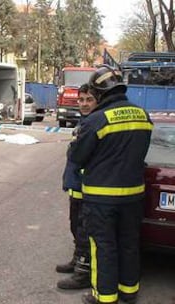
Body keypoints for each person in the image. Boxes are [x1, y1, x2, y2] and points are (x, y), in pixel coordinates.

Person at [69, 65, 153, 304]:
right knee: (129, 243)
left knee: (103, 246)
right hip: (134, 195)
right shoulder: (143, 115)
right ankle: (129, 292)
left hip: (101, 198)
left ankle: (104, 297)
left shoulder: (96, 120)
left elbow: (77, 158)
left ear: (100, 93)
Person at [56, 84, 97, 290]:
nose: (84, 104)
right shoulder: (83, 122)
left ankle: (83, 273)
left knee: (84, 231)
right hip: (76, 187)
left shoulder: (95, 122)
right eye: (81, 100)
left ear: (97, 100)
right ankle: (77, 259)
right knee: (75, 227)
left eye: (89, 99)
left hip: (89, 189)